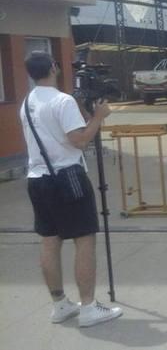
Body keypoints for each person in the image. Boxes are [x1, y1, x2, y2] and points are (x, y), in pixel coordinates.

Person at [19, 52, 122, 327]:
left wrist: (85, 113)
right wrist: (98, 117)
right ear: (53, 68)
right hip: (67, 177)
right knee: (84, 240)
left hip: (38, 178)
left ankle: (60, 304)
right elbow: (79, 141)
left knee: (50, 241)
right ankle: (88, 308)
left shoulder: (27, 102)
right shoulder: (61, 100)